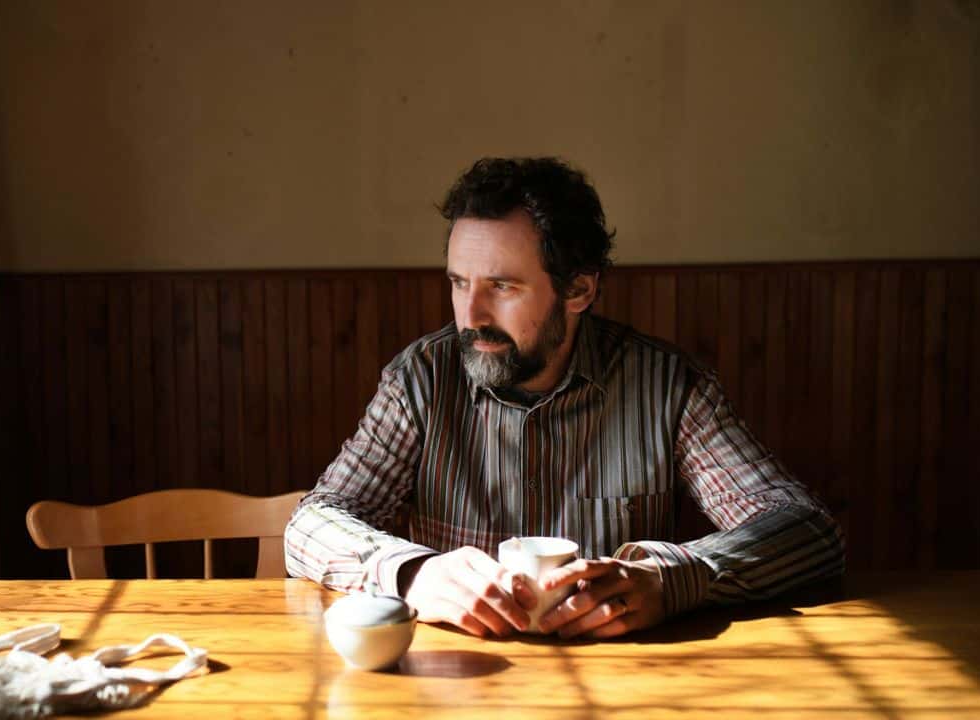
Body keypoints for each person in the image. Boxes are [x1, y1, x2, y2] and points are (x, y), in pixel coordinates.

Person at [284, 157, 845, 640]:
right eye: (459, 282)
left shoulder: (668, 385)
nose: (470, 315)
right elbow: (312, 524)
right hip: (453, 686)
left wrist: (672, 577)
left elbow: (807, 530)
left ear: (579, 288)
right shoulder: (422, 378)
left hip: (623, 688)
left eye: (501, 286)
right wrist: (411, 574)